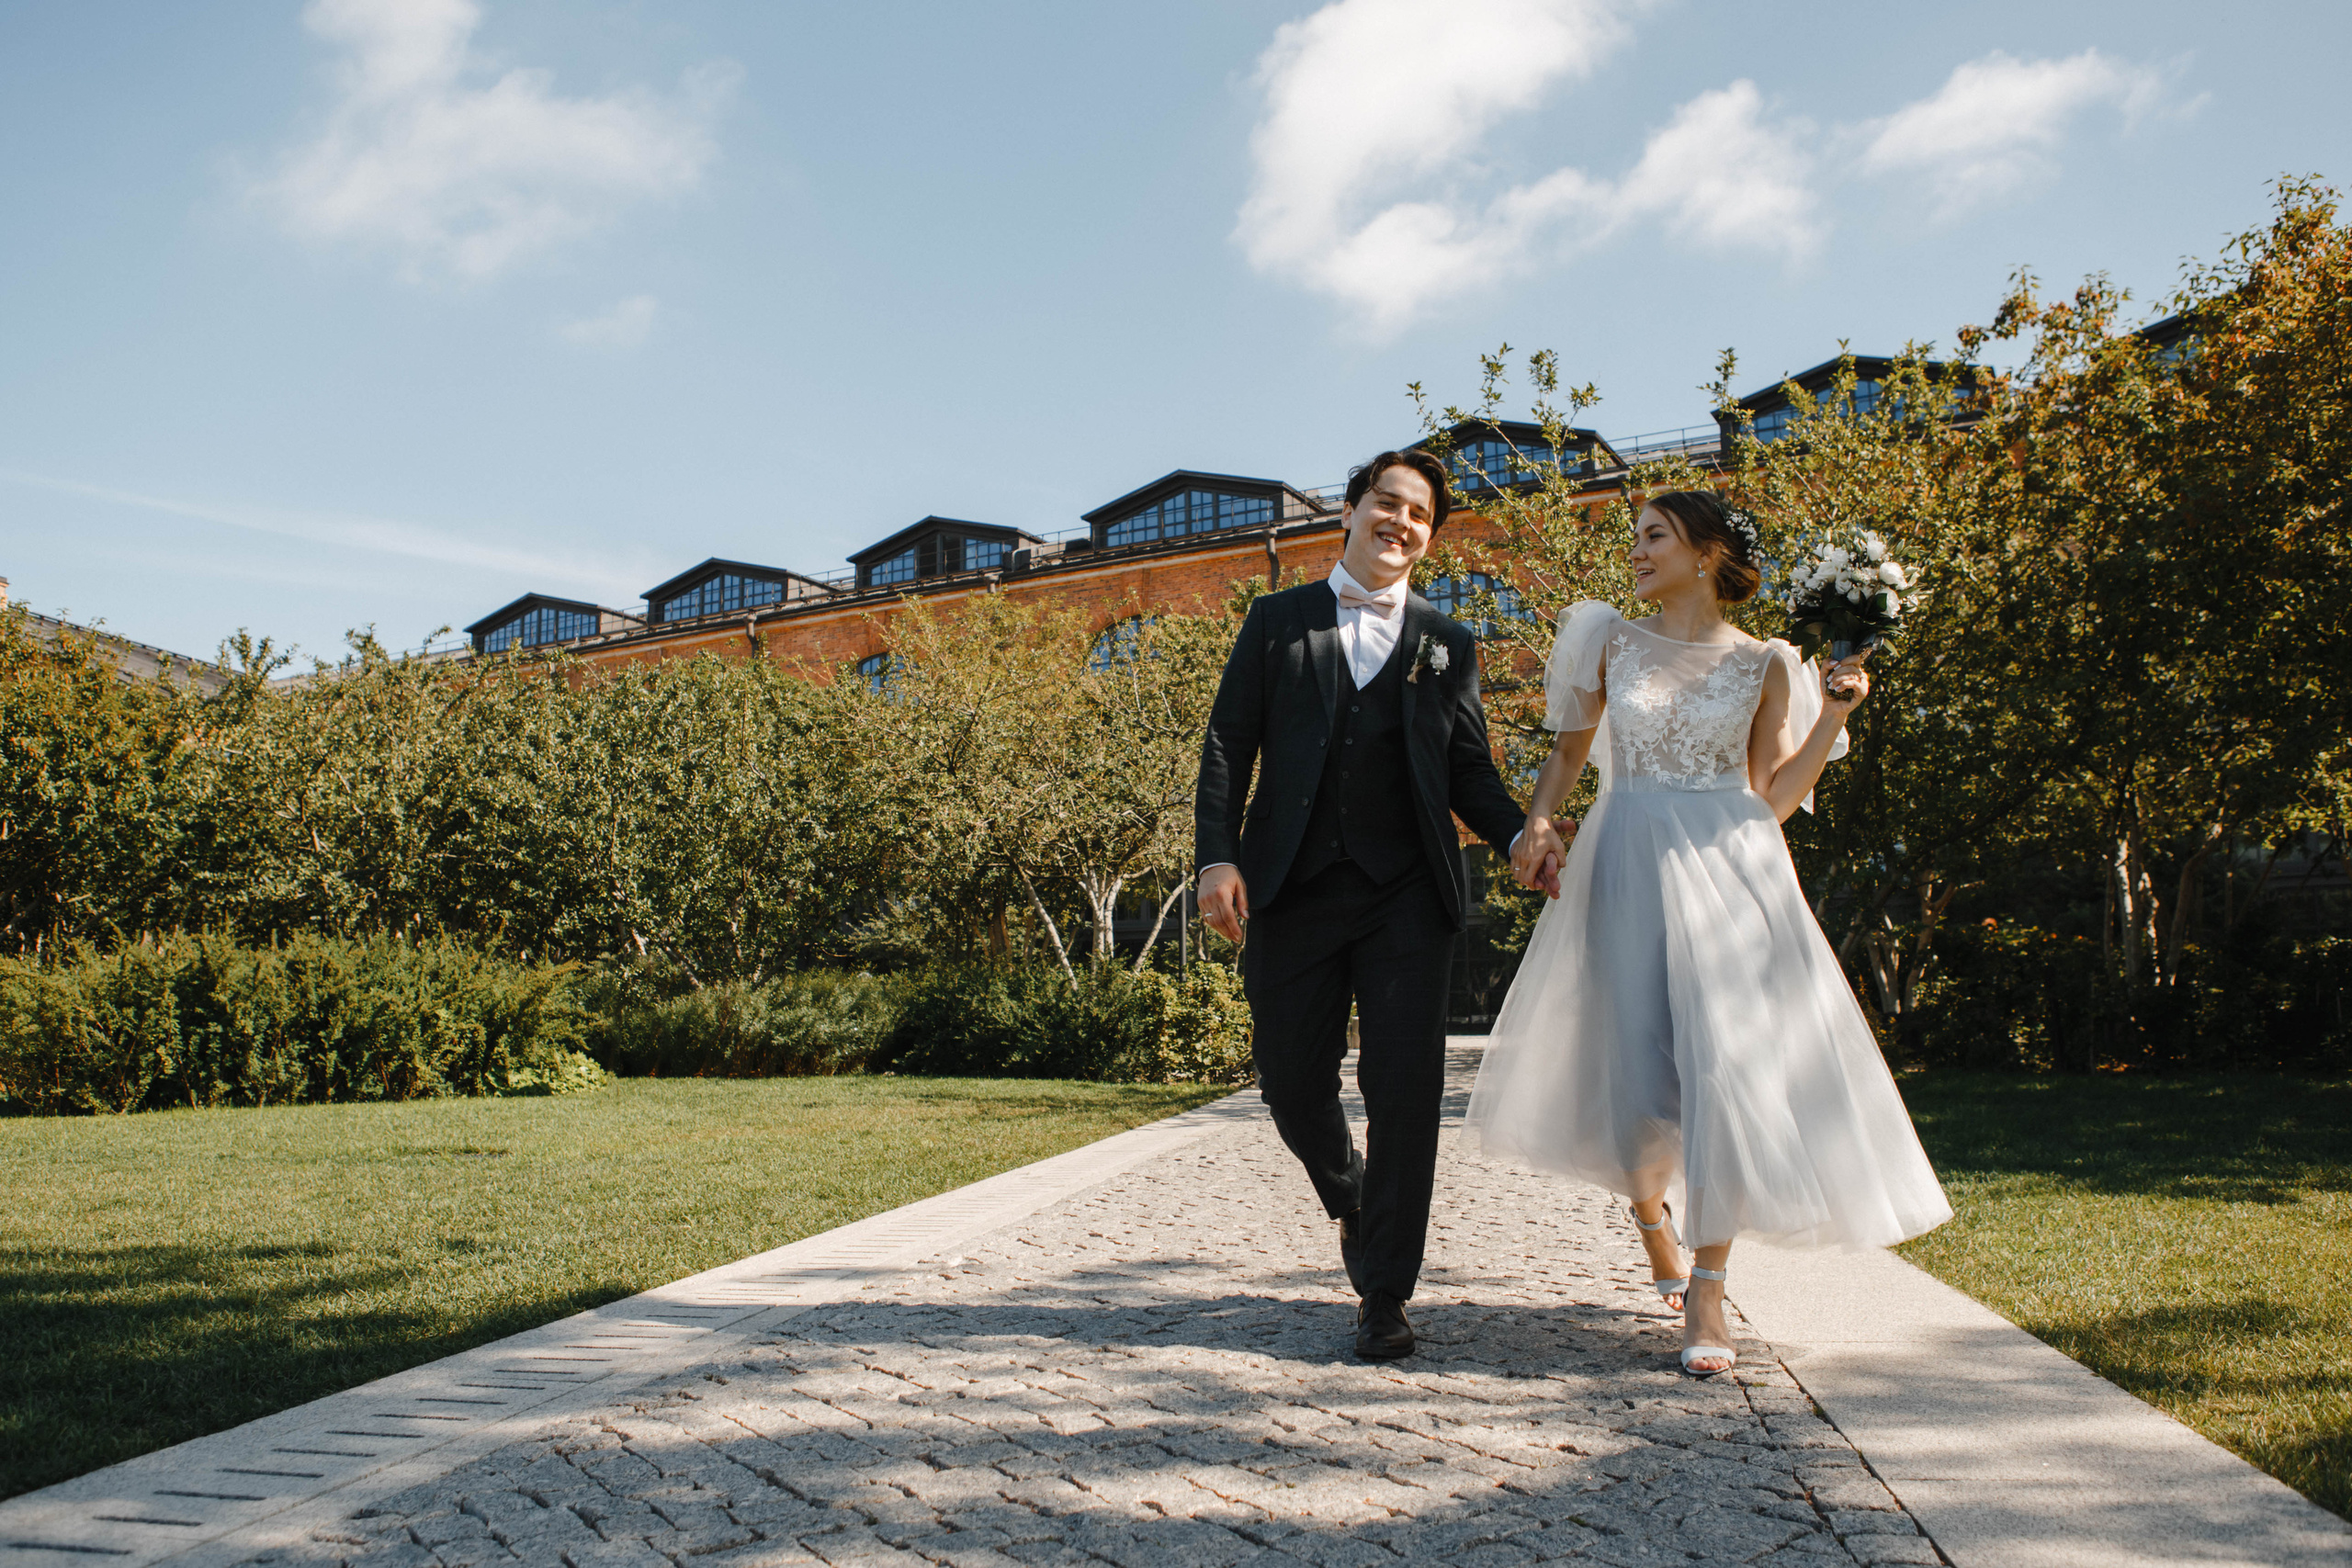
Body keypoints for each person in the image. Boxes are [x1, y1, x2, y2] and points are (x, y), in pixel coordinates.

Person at [1465, 490, 1951, 1376]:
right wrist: (1538, 820)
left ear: (1707, 552)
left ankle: (1709, 1287)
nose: (1638, 552)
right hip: (1626, 864)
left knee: (1723, 1070)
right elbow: (1570, 754)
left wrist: (1836, 712)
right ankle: (1652, 1218)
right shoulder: (1606, 636)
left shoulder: (1770, 662)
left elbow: (1770, 796)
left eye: (1655, 537)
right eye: (1637, 537)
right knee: (1632, 1084)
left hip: (1735, 870)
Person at [1193, 448, 1544, 1360]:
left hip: (1406, 898)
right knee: (1289, 1078)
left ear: (1429, 535)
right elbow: (1228, 746)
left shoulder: (1444, 643)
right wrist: (1215, 859)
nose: (1401, 522)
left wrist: (1515, 837)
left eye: (1420, 514)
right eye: (1387, 503)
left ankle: (1384, 1291)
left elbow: (1469, 769)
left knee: (1404, 1091)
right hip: (1293, 888)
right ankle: (1352, 1197)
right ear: (1348, 512)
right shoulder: (1277, 622)